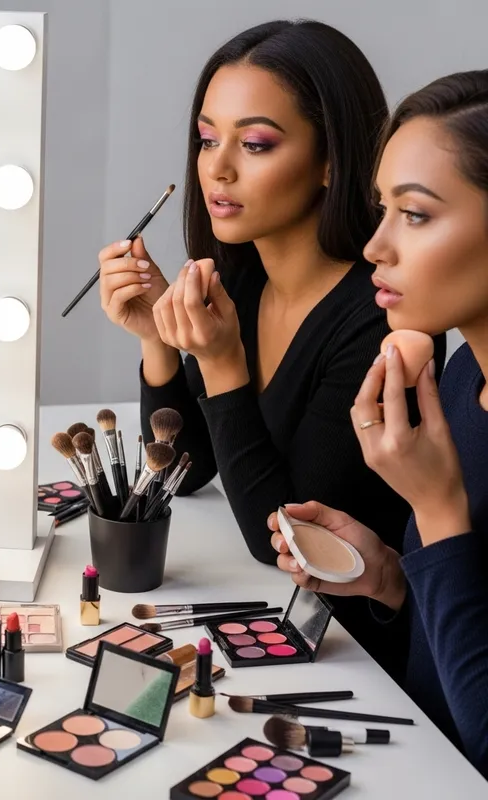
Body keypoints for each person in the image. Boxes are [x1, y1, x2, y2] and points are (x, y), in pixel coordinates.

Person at [98, 19, 446, 678]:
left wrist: (223, 364)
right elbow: (190, 468)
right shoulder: (243, 278)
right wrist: (158, 339)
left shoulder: (384, 322)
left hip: (363, 663)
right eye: (206, 139)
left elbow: (287, 541)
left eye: (256, 143)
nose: (217, 167)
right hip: (275, 628)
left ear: (330, 162)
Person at [270, 70, 488, 780]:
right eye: (382, 209)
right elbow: (447, 662)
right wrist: (391, 577)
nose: (375, 246)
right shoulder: (460, 381)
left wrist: (436, 508)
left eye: (416, 215)